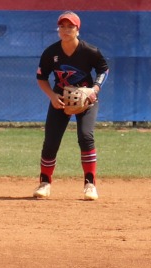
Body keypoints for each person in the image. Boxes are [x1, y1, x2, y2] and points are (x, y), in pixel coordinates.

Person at [34, 11, 110, 200]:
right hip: (60, 99)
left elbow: (103, 70)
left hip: (86, 100)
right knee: (51, 141)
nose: (66, 30)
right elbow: (41, 78)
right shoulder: (51, 53)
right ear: (58, 29)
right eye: (62, 26)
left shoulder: (89, 51)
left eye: (70, 26)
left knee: (85, 136)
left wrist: (94, 90)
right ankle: (44, 183)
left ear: (77, 30)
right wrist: (52, 96)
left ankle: (90, 185)